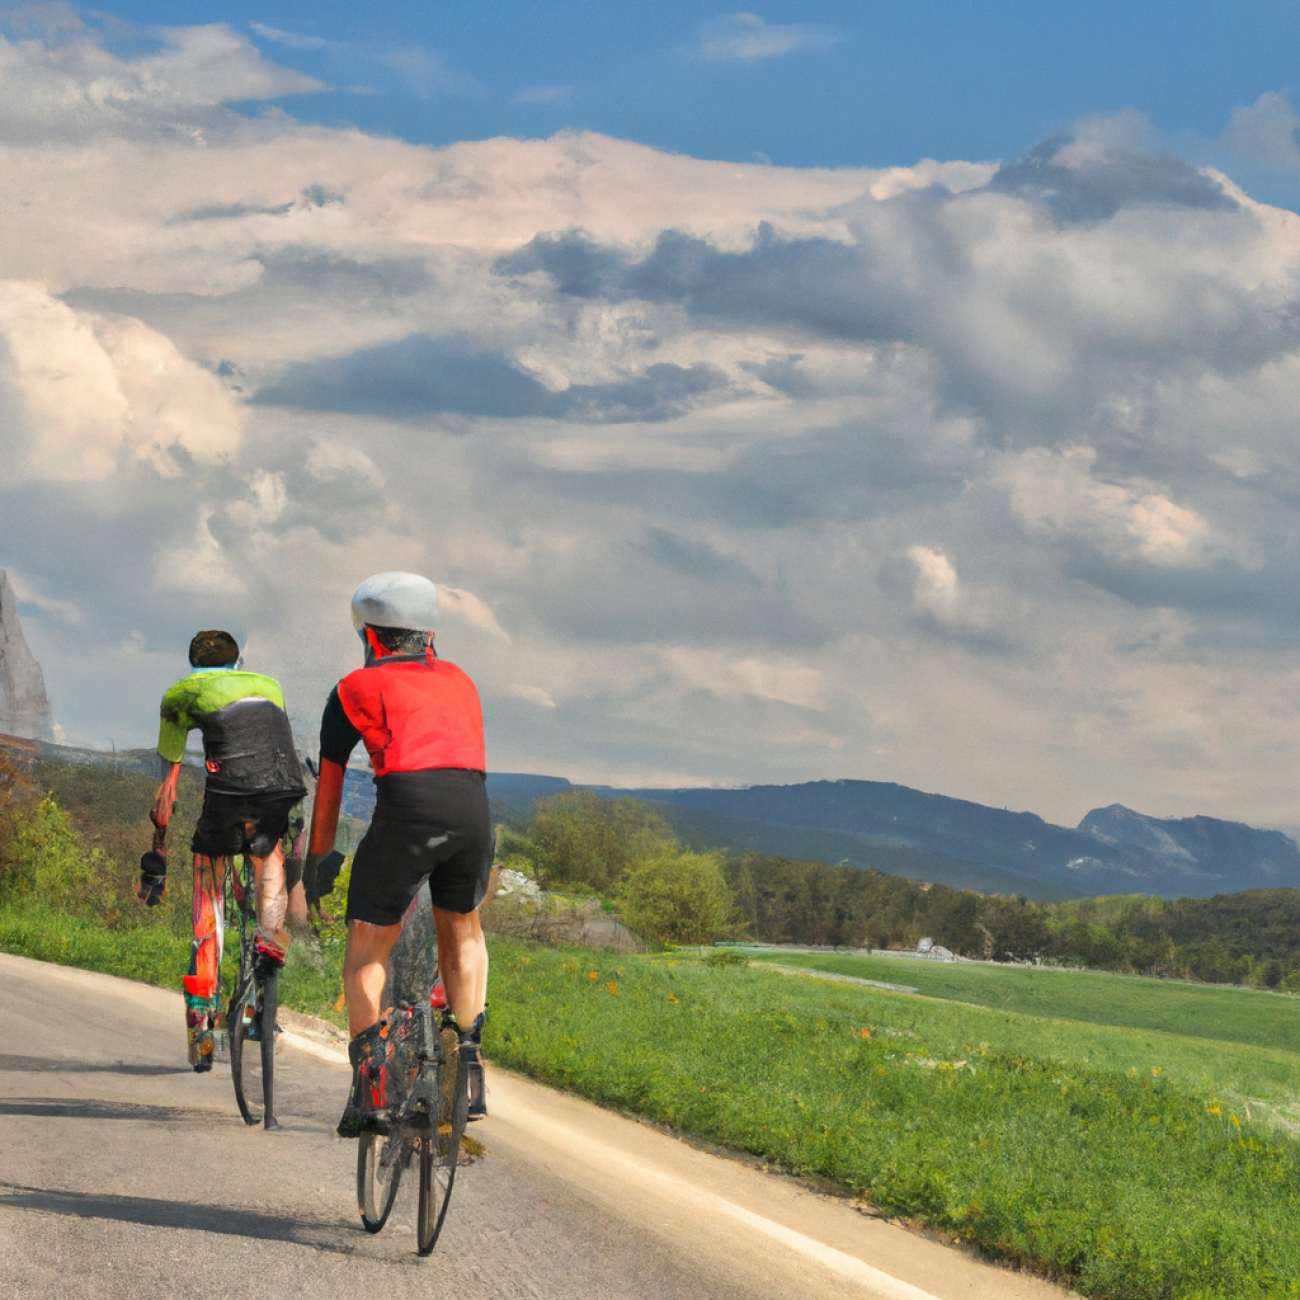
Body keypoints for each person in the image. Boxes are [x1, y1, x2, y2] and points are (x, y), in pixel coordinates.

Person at [304, 572, 492, 1136]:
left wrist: (318, 866)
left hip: (406, 814)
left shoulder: (352, 688)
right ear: (428, 636)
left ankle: (374, 1091)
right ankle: (471, 1060)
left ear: (371, 637)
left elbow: (330, 793)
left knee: (367, 949)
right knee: (462, 930)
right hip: (473, 814)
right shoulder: (463, 680)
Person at [139, 630, 307, 1071]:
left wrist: (160, 836)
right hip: (283, 786)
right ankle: (269, 949)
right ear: (238, 662)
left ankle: (203, 1024)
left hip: (228, 791)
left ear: (192, 662)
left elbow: (168, 785)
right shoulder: (269, 686)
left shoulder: (182, 692)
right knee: (268, 858)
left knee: (208, 881)